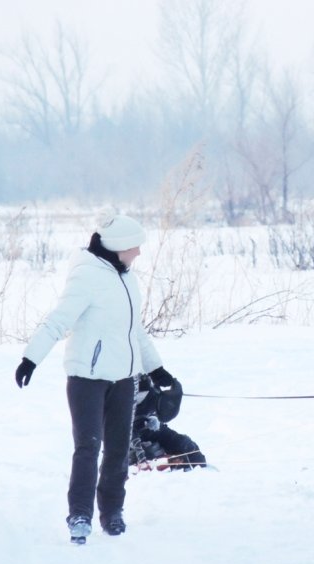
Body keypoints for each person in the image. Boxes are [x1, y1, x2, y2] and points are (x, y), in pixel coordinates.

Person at [14, 215, 175, 543]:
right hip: (87, 378)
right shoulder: (87, 276)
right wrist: (30, 359)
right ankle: (79, 517)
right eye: (135, 247)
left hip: (124, 379)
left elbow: (135, 331)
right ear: (118, 247)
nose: (139, 253)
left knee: (117, 451)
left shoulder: (127, 277)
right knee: (87, 447)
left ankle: (112, 513)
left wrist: (156, 369)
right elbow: (57, 321)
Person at [130, 377, 207, 471]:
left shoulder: (149, 386)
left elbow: (158, 408)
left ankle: (203, 471)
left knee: (185, 444)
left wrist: (154, 417)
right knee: (150, 452)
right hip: (126, 438)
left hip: (151, 428)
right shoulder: (119, 389)